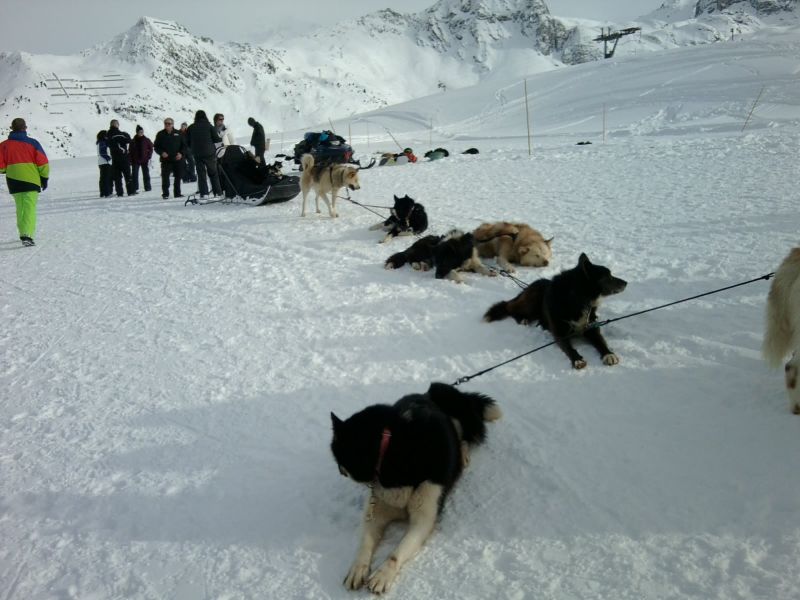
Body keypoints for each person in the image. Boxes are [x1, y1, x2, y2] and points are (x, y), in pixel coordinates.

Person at [0, 118, 49, 246]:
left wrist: (8, 169)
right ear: (25, 128)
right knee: (29, 208)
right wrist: (44, 178)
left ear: (11, 128)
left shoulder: (3, 145)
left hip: (13, 180)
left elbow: (1, 167)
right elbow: (43, 163)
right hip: (31, 180)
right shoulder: (33, 143)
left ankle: (23, 233)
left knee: (20, 208)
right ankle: (27, 235)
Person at [186, 110, 222, 198]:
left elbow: (187, 141)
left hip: (197, 154)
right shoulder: (209, 126)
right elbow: (217, 139)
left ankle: (204, 194)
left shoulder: (191, 127)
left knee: (201, 174)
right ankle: (217, 193)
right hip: (209, 153)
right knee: (213, 173)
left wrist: (192, 148)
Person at [153, 117, 187, 199]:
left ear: (172, 124)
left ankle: (177, 193)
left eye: (169, 123)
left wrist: (181, 153)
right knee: (165, 177)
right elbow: (156, 146)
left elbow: (184, 146)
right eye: (166, 123)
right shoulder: (160, 134)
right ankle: (165, 194)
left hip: (177, 159)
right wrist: (161, 153)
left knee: (178, 177)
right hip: (166, 160)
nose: (167, 125)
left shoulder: (178, 133)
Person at [107, 119, 134, 196]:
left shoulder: (109, 135)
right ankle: (130, 191)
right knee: (128, 175)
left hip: (115, 159)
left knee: (117, 177)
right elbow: (129, 140)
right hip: (124, 157)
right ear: (117, 125)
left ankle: (119, 192)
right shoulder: (123, 134)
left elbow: (108, 144)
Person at [130, 125, 153, 192]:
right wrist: (130, 160)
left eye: (142, 131)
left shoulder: (146, 140)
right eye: (140, 132)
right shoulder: (133, 140)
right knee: (134, 175)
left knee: (146, 174)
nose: (141, 133)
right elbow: (130, 151)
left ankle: (147, 187)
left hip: (145, 159)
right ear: (137, 132)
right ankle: (135, 188)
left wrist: (149, 156)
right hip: (135, 160)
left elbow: (151, 147)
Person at [96, 130, 113, 198]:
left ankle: (103, 193)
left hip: (101, 162)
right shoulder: (102, 142)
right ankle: (106, 193)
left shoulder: (99, 142)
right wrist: (109, 158)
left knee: (103, 178)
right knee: (106, 178)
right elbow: (102, 152)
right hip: (104, 162)